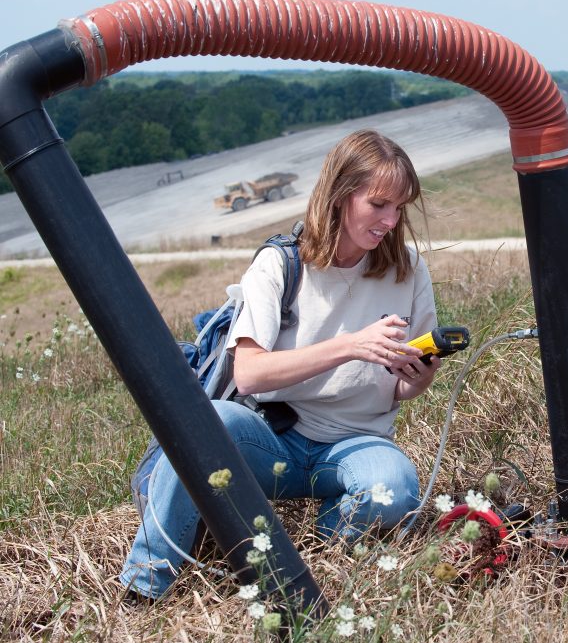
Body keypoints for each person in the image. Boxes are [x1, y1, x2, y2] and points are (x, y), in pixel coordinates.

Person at [120, 129, 439, 600]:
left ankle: (308, 554)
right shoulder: (281, 263)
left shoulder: (408, 270)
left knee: (396, 488)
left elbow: (400, 388)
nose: (390, 220)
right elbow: (249, 373)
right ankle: (144, 587)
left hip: (356, 442)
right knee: (204, 421)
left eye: (400, 207)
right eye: (378, 205)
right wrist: (350, 345)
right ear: (339, 195)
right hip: (271, 438)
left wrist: (418, 378)